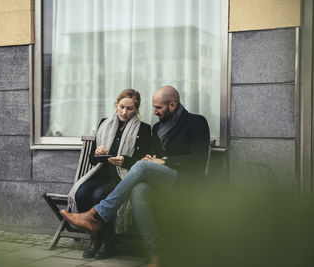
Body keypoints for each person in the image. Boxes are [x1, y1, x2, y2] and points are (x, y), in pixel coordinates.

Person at [61, 85, 210, 266]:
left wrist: (163, 160)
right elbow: (152, 158)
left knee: (141, 166)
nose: (154, 111)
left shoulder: (196, 122)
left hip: (186, 181)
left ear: (172, 105)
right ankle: (154, 256)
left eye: (158, 108)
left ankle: (95, 215)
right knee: (138, 191)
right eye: (154, 107)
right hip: (161, 180)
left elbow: (198, 161)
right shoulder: (157, 128)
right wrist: (151, 158)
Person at [66, 89, 151, 259]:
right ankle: (95, 239)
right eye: (121, 107)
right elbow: (92, 159)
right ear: (116, 105)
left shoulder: (143, 129)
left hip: (122, 176)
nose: (124, 112)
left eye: (130, 109)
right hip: (101, 173)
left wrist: (125, 160)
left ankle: (108, 241)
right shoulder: (105, 123)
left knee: (98, 195)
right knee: (82, 193)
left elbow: (145, 162)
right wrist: (98, 152)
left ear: (136, 110)